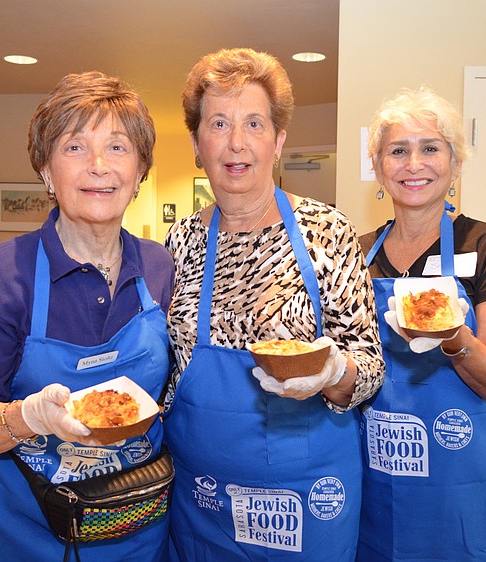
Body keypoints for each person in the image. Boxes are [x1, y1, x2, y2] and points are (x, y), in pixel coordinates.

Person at [162, 47, 385, 561]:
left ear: (279, 140)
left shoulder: (327, 232)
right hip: (204, 498)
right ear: (197, 143)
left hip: (307, 502)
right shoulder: (179, 244)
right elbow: (169, 373)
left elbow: (370, 363)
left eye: (255, 124)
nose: (236, 143)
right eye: (218, 123)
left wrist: (333, 374)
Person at [0, 71, 174, 561]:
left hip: (134, 529)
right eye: (74, 147)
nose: (98, 166)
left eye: (117, 148)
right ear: (47, 172)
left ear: (140, 171)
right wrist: (29, 416)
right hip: (20, 532)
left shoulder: (161, 267)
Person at [357, 86, 486, 561]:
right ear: (378, 166)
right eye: (397, 151)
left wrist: (453, 336)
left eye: (430, 148)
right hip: (375, 462)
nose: (414, 164)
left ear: (455, 163)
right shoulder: (355, 250)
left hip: (457, 467)